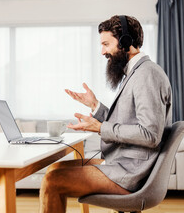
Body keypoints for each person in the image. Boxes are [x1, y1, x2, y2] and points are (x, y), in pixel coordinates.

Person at [39, 15, 172, 213]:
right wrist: (95, 106)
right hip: (125, 163)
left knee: (52, 181)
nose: (102, 52)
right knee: (54, 169)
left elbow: (150, 134)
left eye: (106, 44)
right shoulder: (136, 73)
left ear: (126, 42)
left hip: (132, 172)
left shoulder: (146, 75)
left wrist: (100, 127)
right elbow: (129, 121)